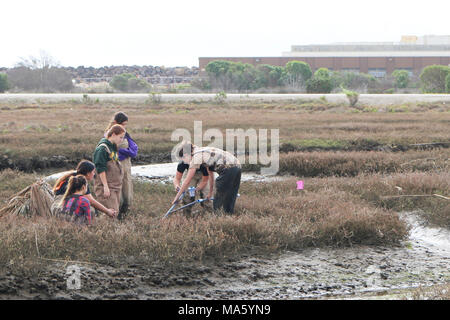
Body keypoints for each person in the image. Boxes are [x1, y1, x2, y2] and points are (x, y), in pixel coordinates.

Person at [172, 141, 241, 214]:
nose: (184, 162)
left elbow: (187, 180)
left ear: (186, 155)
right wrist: (210, 192)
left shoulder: (196, 157)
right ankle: (228, 216)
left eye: (183, 159)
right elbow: (211, 174)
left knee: (219, 196)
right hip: (237, 166)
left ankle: (218, 218)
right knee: (230, 194)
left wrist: (177, 197)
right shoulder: (202, 152)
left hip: (229, 168)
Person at [51, 160, 116, 218]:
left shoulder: (71, 176)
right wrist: (107, 211)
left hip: (55, 206)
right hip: (63, 207)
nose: (94, 174)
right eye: (93, 172)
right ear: (88, 174)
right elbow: (91, 201)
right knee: (91, 210)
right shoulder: (81, 181)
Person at [105, 112, 138, 220]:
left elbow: (134, 149)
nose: (124, 127)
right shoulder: (108, 136)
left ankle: (122, 218)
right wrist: (122, 153)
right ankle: (114, 218)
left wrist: (124, 151)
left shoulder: (125, 134)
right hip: (114, 169)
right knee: (116, 197)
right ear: (116, 123)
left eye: (125, 125)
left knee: (127, 197)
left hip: (126, 168)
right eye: (123, 124)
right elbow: (111, 153)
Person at [93, 124, 125, 214]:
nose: (121, 140)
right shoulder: (102, 149)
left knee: (115, 211)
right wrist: (105, 187)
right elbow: (100, 169)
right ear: (113, 134)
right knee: (110, 213)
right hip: (107, 187)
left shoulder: (113, 147)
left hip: (115, 186)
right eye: (120, 137)